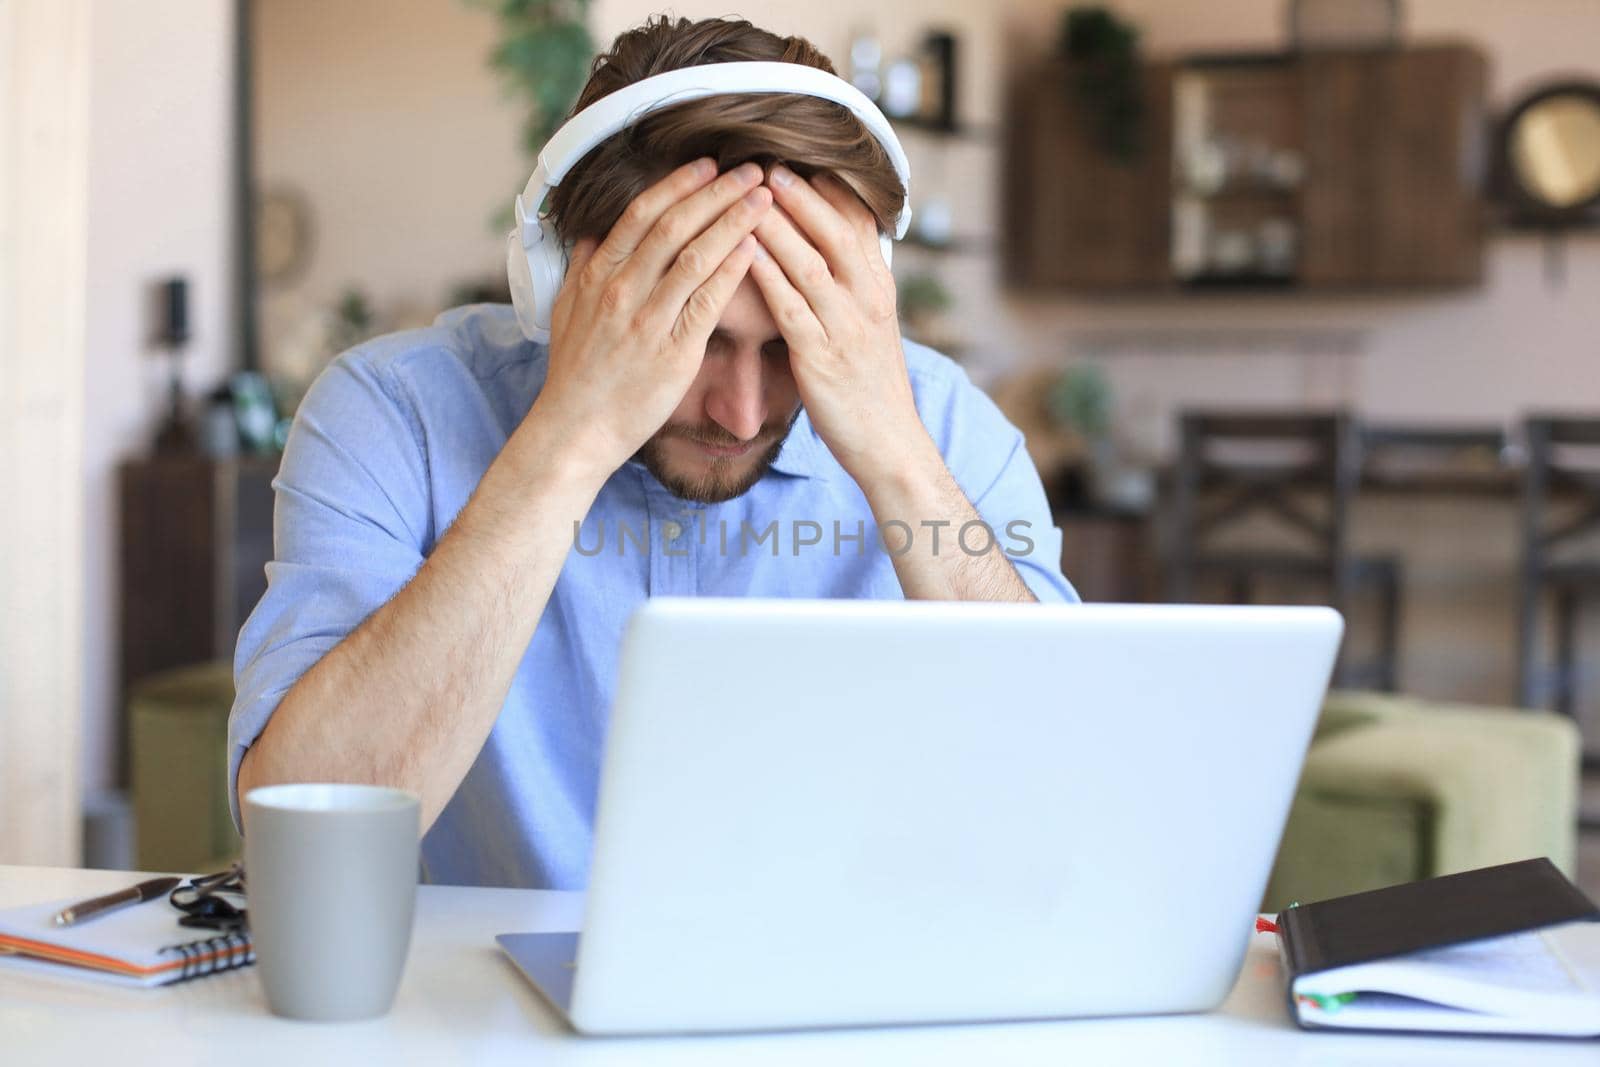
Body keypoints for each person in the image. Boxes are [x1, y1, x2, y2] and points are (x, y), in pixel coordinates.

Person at [229, 15, 1077, 889]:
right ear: (561, 281)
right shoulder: (392, 414)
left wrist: (896, 456)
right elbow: (297, 842)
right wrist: (572, 438)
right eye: (697, 337)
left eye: (789, 348)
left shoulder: (941, 430)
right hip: (472, 1015)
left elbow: (1074, 793)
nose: (741, 415)